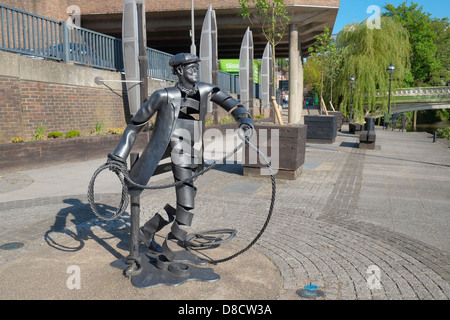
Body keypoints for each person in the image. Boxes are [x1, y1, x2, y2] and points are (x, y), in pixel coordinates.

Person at [109, 53, 254, 263]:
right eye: (190, 67)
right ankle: (169, 253)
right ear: (178, 71)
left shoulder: (206, 90)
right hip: (173, 150)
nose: (195, 70)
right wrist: (119, 156)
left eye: (196, 67)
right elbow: (135, 126)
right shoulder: (163, 95)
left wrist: (245, 120)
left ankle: (148, 230)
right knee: (187, 204)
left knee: (187, 200)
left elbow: (233, 104)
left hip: (193, 151)